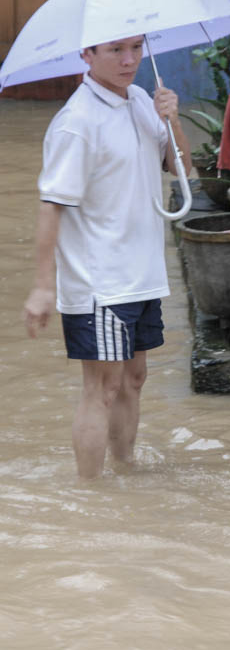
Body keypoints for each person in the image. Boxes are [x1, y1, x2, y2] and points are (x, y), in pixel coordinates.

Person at [23, 35, 192, 479]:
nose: (129, 59)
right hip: (99, 281)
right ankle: (90, 494)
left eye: (135, 47)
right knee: (102, 387)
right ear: (87, 55)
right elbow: (50, 205)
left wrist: (172, 120)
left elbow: (182, 169)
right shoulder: (76, 121)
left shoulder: (140, 99)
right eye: (115, 50)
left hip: (143, 274)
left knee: (134, 379)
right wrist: (43, 287)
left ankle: (126, 472)